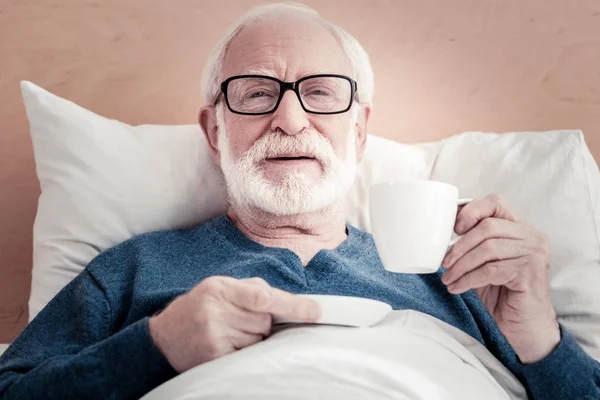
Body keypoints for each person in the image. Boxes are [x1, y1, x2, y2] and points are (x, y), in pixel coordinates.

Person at [0, 3, 599, 399]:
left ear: (359, 130)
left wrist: (540, 335)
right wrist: (154, 346)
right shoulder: (130, 271)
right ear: (214, 131)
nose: (290, 119)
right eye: (257, 94)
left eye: (320, 93)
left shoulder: (464, 278)